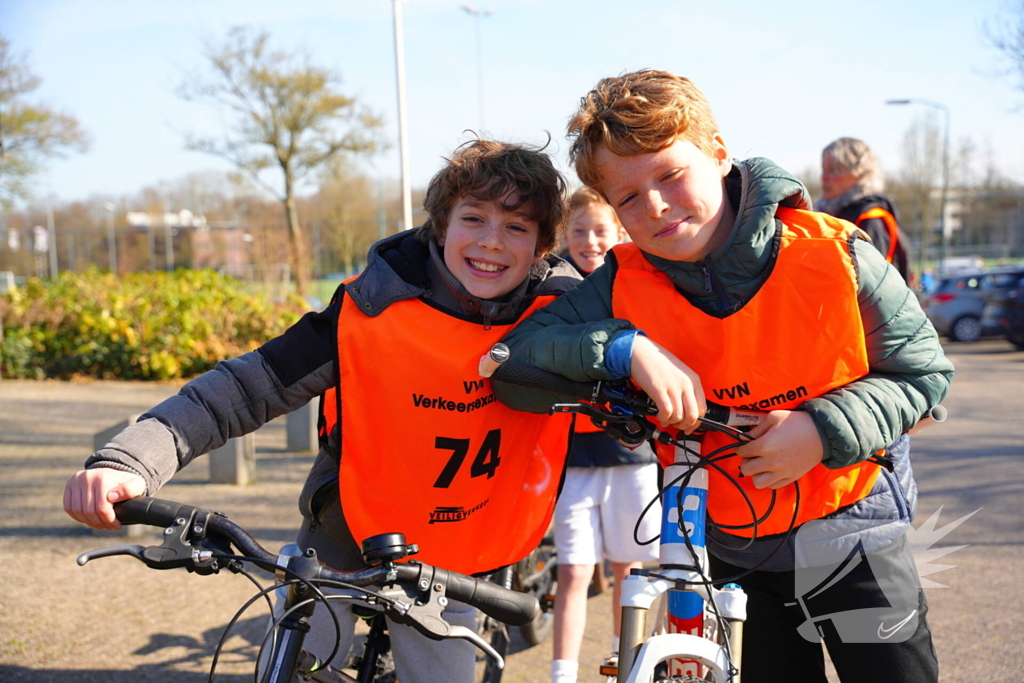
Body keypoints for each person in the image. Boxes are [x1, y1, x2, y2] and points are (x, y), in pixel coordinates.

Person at [493, 70, 953, 683]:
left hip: (855, 533)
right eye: (627, 198)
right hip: (734, 552)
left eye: (670, 175)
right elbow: (511, 362)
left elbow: (924, 377)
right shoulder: (620, 285)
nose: (653, 206)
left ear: (716, 152)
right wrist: (626, 350)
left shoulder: (835, 254)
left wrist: (818, 430)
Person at [63, 139, 581, 683]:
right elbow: (241, 390)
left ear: (543, 247)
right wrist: (128, 460)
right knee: (298, 657)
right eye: (473, 218)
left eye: (517, 227)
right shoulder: (366, 313)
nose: (491, 242)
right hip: (344, 532)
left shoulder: (564, 324)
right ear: (441, 226)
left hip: (460, 550)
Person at [551, 187, 661, 683]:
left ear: (619, 232)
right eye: (579, 231)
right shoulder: (553, 290)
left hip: (631, 456)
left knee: (629, 570)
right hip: (571, 456)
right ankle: (561, 673)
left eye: (600, 231)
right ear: (564, 236)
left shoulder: (639, 283)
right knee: (572, 571)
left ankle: (626, 664)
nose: (590, 241)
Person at [817, 137, 910, 282]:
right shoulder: (827, 215)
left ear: (860, 174)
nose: (824, 177)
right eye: (824, 169)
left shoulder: (870, 219)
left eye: (835, 170)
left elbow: (870, 284)